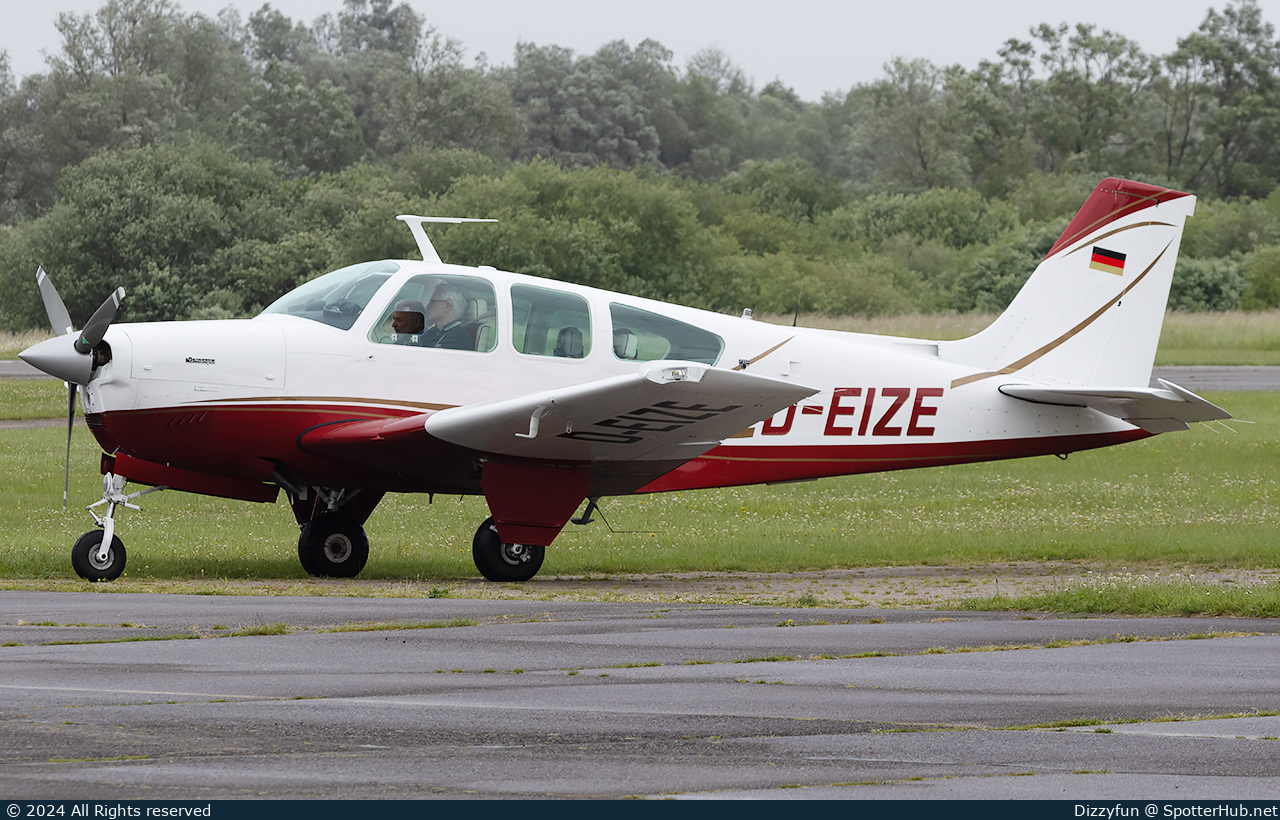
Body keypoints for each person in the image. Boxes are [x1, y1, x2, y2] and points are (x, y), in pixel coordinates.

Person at [419, 284, 472, 350]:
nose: (427, 306)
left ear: (447, 305)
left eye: (432, 302)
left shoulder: (458, 336)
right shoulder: (435, 331)